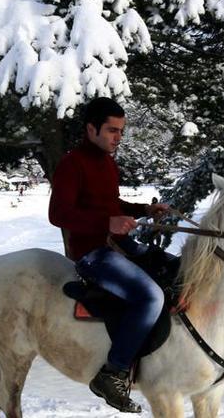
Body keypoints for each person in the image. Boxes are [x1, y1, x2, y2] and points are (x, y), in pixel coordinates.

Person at [48, 97, 169, 414]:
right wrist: (107, 222)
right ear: (91, 128)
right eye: (112, 130)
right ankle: (112, 372)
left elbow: (111, 205)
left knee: (173, 269)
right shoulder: (72, 163)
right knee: (150, 297)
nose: (118, 137)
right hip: (93, 254)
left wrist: (144, 209)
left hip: (118, 245)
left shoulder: (106, 162)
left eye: (121, 131)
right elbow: (58, 213)